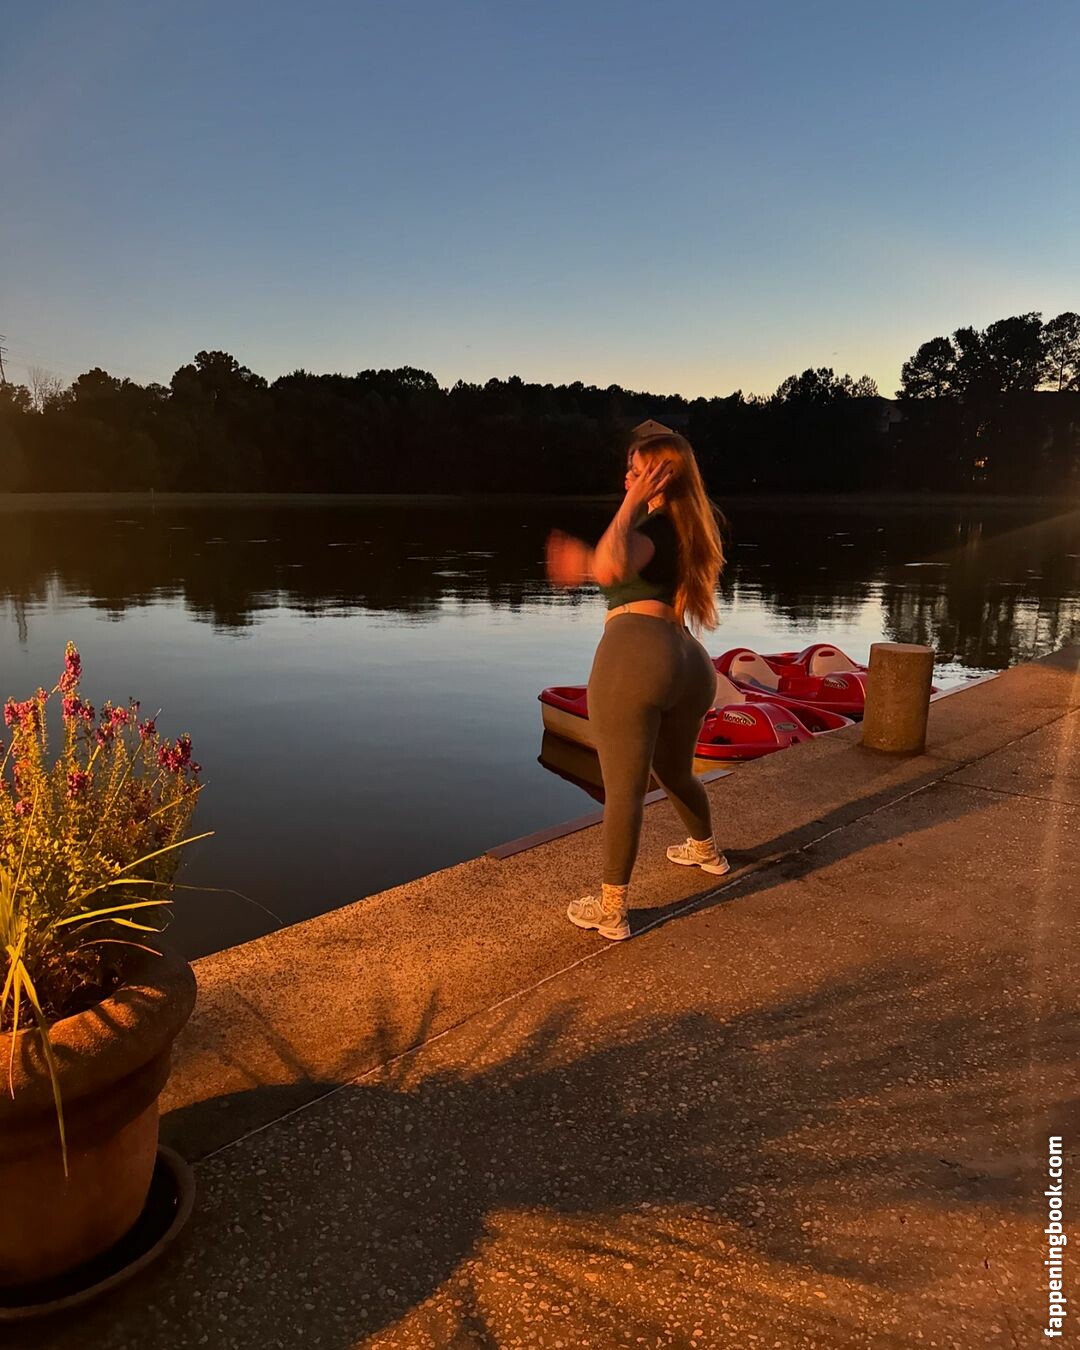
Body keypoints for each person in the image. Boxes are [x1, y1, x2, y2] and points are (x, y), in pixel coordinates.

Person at [545, 431, 728, 941]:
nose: (627, 478)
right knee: (674, 772)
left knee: (623, 789)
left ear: (659, 477)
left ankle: (611, 910)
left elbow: (614, 564)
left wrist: (628, 507)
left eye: (636, 470)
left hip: (635, 659)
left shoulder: (651, 521)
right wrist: (586, 565)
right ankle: (706, 851)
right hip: (688, 661)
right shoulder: (687, 525)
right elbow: (622, 568)